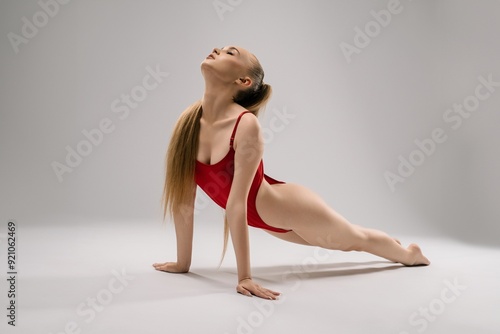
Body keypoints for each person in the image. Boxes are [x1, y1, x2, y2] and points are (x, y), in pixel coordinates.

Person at [153, 46, 430, 300]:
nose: (216, 49)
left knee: (353, 242)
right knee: (346, 239)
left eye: (230, 52)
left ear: (243, 81)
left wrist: (245, 277)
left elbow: (236, 205)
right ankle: (387, 242)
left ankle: (408, 255)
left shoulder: (245, 125)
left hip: (292, 207)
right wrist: (183, 263)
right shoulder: (188, 122)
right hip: (266, 220)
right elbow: (182, 201)